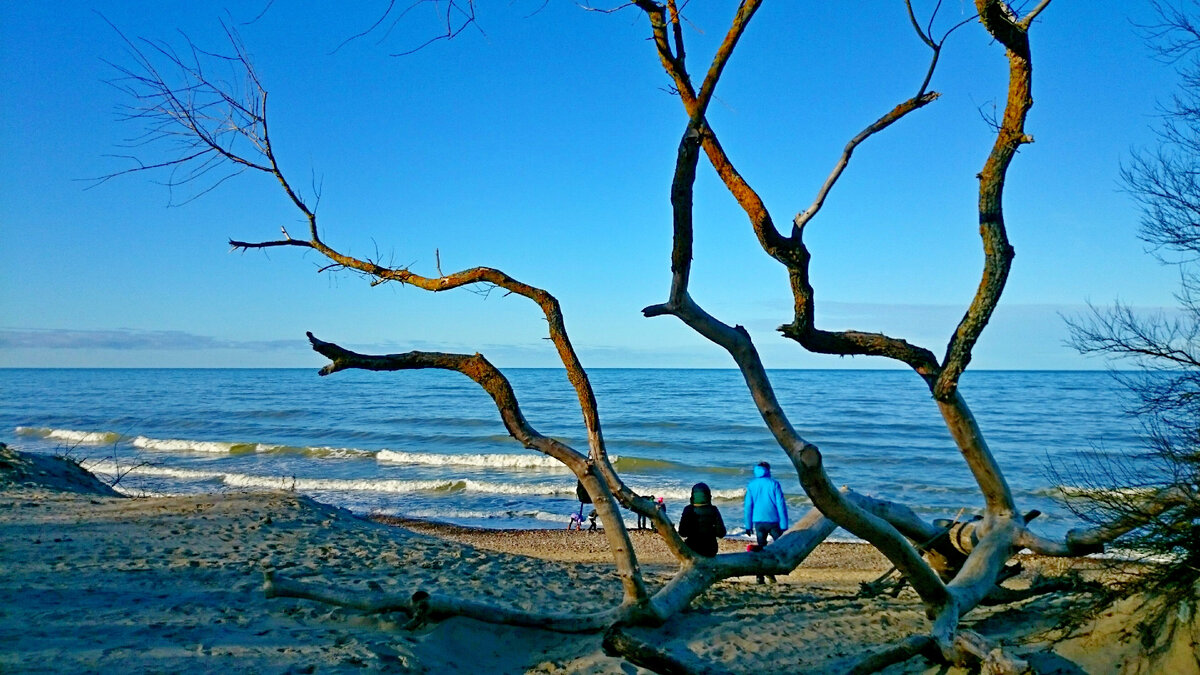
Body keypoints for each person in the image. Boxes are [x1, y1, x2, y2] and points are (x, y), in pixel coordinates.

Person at [743, 461, 789, 583]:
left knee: (761, 549)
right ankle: (771, 572)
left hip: (758, 522)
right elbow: (781, 505)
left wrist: (748, 525)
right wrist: (784, 524)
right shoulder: (774, 484)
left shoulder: (752, 485)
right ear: (768, 470)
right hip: (773, 521)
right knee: (779, 546)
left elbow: (748, 506)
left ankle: (760, 576)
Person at [677, 482, 727, 557]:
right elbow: (721, 533)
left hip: (692, 549)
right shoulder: (713, 510)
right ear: (708, 496)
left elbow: (682, 533)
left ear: (692, 496)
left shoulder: (688, 509)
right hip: (710, 550)